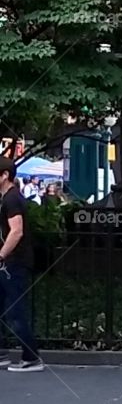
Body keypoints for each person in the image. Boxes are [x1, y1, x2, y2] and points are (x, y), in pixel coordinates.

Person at [0, 158, 44, 372]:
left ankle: (31, 357)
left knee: (15, 311)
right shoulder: (6, 198)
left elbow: (17, 231)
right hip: (8, 263)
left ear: (4, 175)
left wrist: (1, 255)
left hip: (14, 263)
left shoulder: (12, 199)